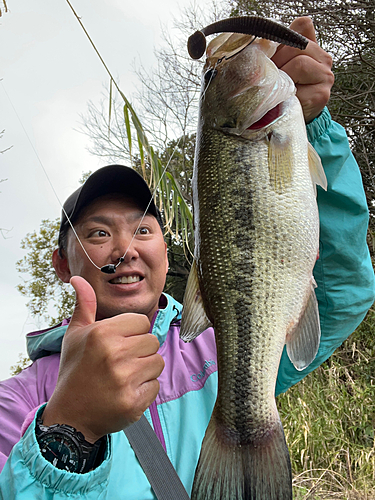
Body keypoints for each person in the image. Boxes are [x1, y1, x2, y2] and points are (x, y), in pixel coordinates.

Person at [0, 17, 374, 499]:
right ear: (61, 265)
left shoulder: (216, 350)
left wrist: (313, 128)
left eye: (143, 229)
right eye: (98, 232)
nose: (127, 247)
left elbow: (343, 292)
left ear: (167, 248)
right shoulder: (18, 402)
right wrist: (66, 432)